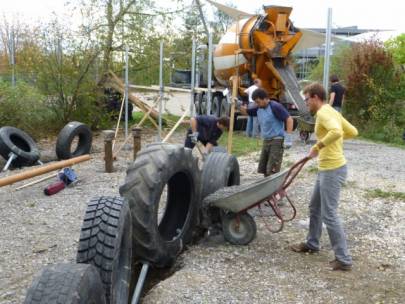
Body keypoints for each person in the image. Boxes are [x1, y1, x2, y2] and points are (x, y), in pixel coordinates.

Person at [291, 82, 358, 271]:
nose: (306, 103)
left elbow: (337, 132)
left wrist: (318, 146)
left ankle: (344, 260)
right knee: (315, 206)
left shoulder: (323, 113)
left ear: (315, 97)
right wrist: (331, 144)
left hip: (332, 169)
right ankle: (312, 243)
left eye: (307, 99)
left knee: (329, 214)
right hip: (327, 167)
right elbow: (352, 132)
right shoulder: (331, 110)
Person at [252, 88, 294, 177]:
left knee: (272, 168)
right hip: (266, 140)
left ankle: (274, 188)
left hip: (277, 140)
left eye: (258, 101)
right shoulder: (259, 108)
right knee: (264, 168)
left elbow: (289, 119)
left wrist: (288, 138)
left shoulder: (275, 106)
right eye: (255, 102)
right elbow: (247, 112)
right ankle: (268, 187)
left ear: (264, 98)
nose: (257, 104)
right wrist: (237, 104)